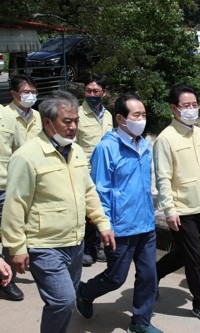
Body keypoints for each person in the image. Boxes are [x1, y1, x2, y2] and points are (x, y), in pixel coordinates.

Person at [0, 90, 116, 333]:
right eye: (67, 121)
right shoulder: (27, 157)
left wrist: (103, 223)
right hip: (44, 245)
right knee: (61, 301)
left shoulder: (76, 152)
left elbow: (88, 191)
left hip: (75, 242)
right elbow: (15, 204)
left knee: (68, 300)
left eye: (76, 121)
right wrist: (16, 247)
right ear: (47, 122)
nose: (74, 127)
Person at [76, 93, 162, 333]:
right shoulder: (106, 148)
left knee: (148, 276)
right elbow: (99, 190)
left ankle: (140, 321)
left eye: (144, 114)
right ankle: (85, 291)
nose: (142, 119)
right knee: (116, 277)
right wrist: (105, 225)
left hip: (145, 223)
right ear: (121, 119)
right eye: (137, 115)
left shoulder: (144, 144)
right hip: (119, 226)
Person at [154, 84, 200, 324]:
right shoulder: (166, 139)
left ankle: (152, 274)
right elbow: (163, 178)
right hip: (181, 209)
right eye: (186, 106)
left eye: (194, 105)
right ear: (174, 108)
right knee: (195, 258)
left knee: (185, 254)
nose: (191, 110)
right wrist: (169, 210)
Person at [76, 74, 114, 267]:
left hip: (106, 171)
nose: (92, 94)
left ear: (104, 93)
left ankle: (97, 247)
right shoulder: (76, 114)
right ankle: (83, 250)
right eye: (89, 91)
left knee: (101, 209)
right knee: (84, 212)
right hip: (85, 170)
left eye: (96, 91)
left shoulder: (107, 115)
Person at [0, 104, 22, 301]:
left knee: (9, 235)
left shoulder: (8, 116)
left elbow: (19, 151)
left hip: (4, 189)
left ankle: (6, 280)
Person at [4, 74, 42, 145]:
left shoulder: (38, 115)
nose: (31, 96)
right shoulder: (4, 116)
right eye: (26, 92)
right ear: (14, 94)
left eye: (33, 92)